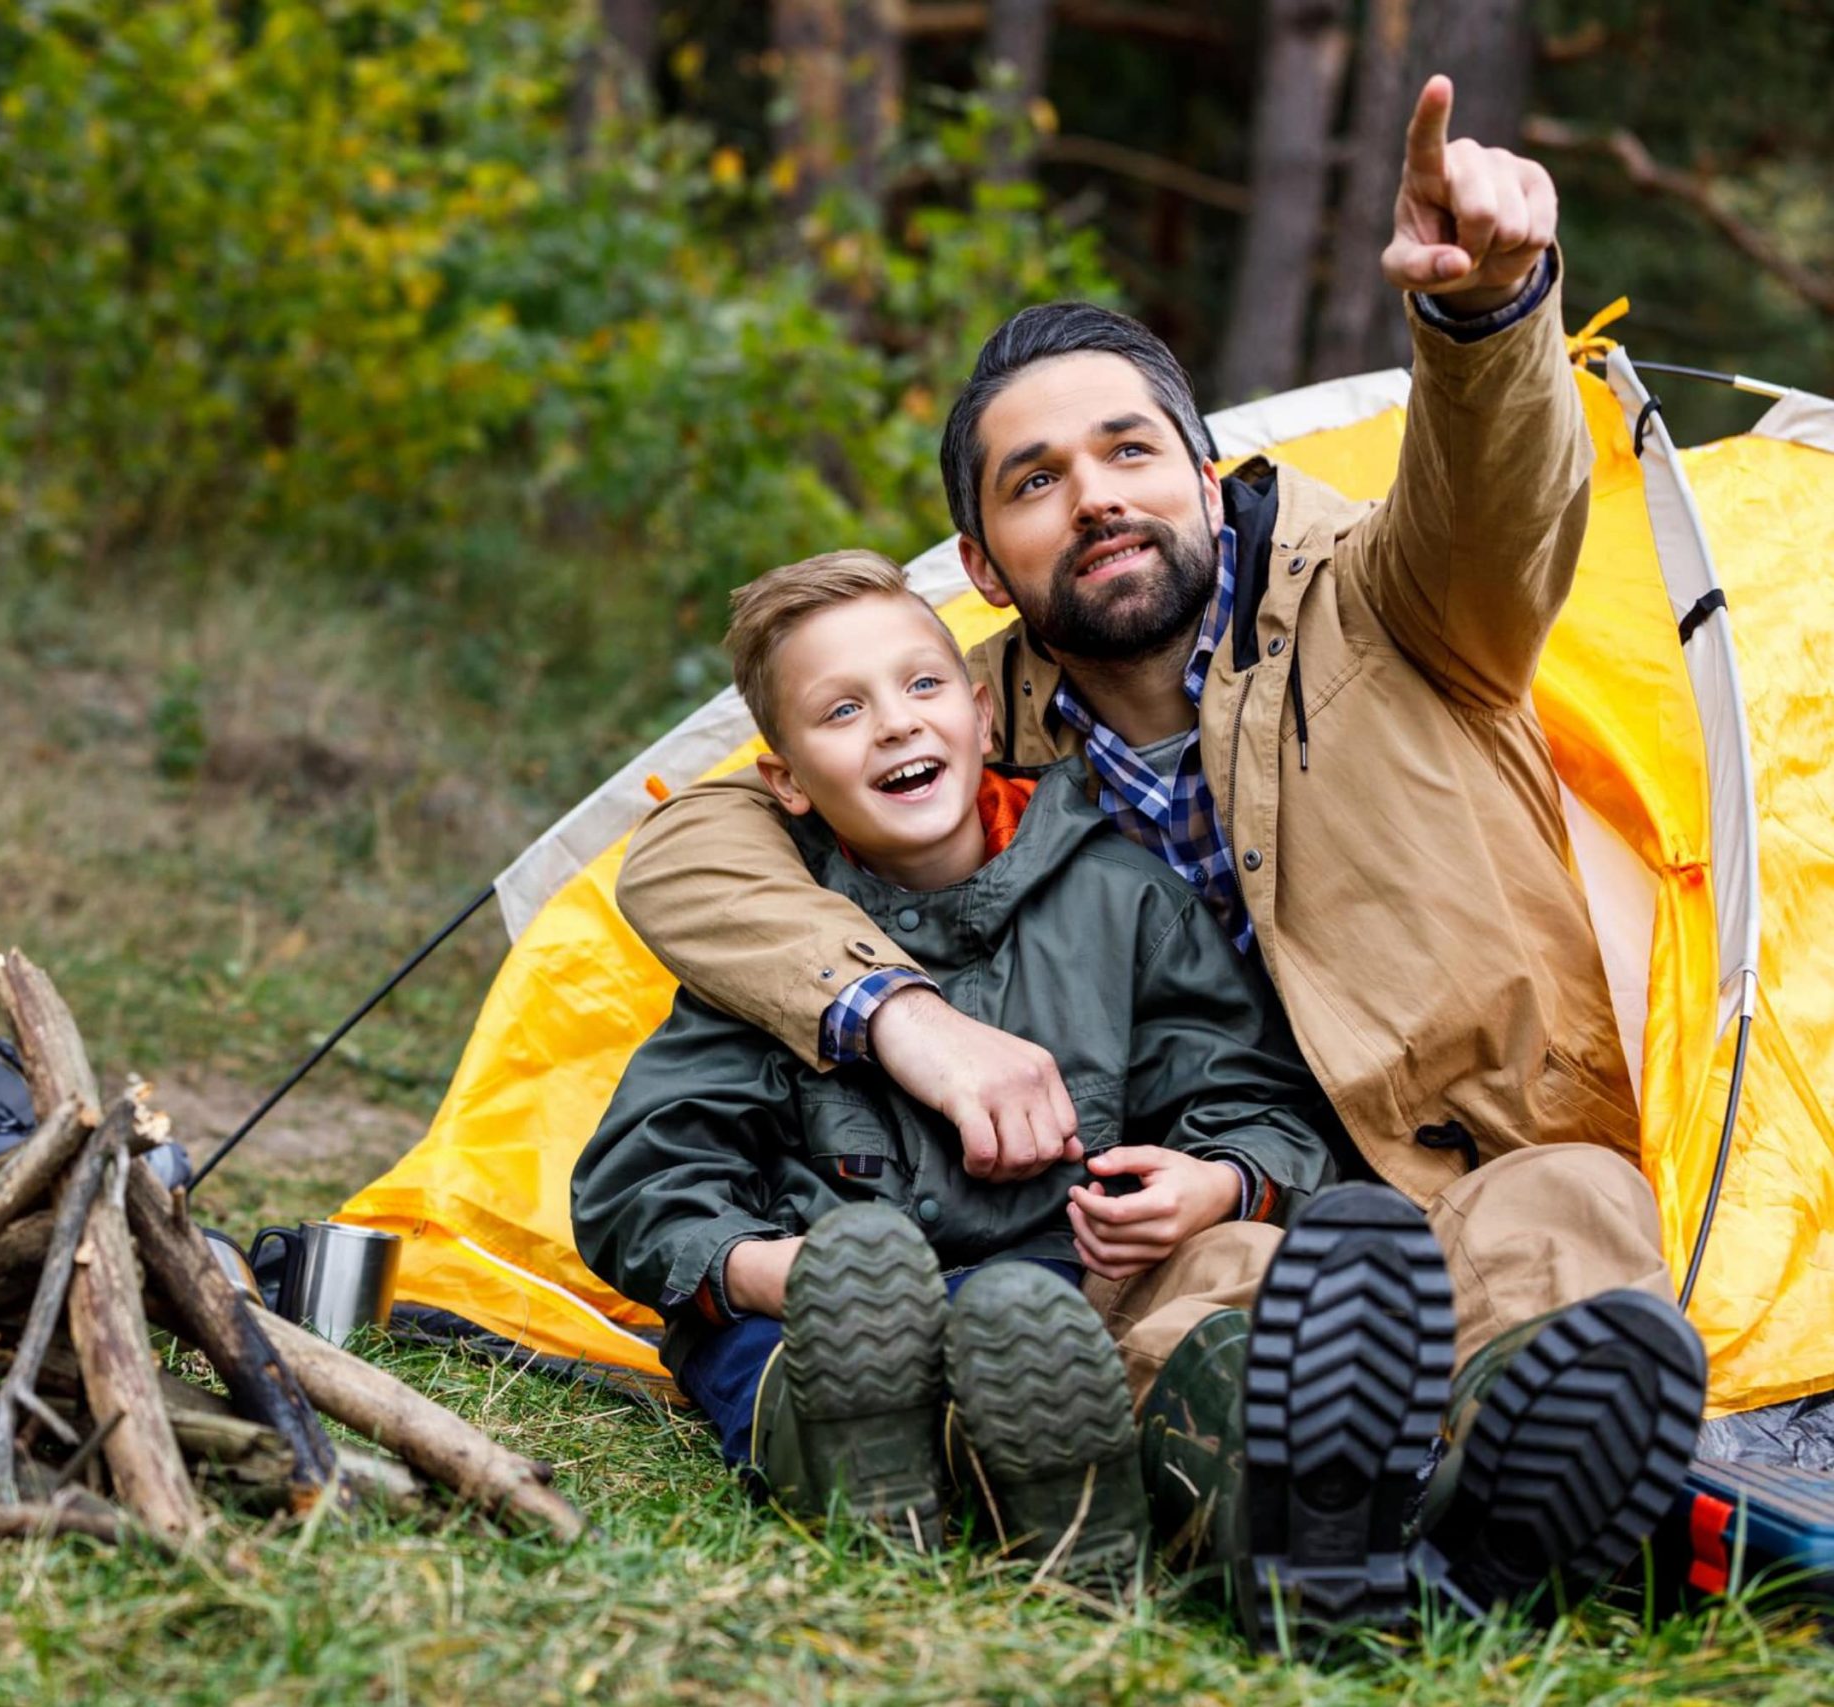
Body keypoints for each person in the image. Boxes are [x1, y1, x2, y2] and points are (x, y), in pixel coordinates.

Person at [609, 76, 1707, 1631]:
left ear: (1205, 470)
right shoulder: (966, 720)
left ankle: (1481, 1518)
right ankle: (1369, 1524)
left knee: (1581, 1208)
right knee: (1220, 1308)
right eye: (1035, 480)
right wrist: (904, 1017)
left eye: (1128, 450)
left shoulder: (1401, 608)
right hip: (1203, 1223)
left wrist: (1489, 319)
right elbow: (694, 846)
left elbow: (1499, 507)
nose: (1095, 496)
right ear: (986, 567)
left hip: (1459, 1172)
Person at [572, 548, 1341, 1583]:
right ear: (785, 782)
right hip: (828, 1314)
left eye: (921, 685)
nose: (893, 723)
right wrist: (775, 1270)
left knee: (1185, 1306)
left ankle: (1186, 1491)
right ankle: (868, 1469)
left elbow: (1245, 1096)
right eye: (840, 712)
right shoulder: (767, 947)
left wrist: (1212, 1181)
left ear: (983, 719)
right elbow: (644, 1183)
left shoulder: (1122, 902)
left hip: (1063, 1300)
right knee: (782, 1355)